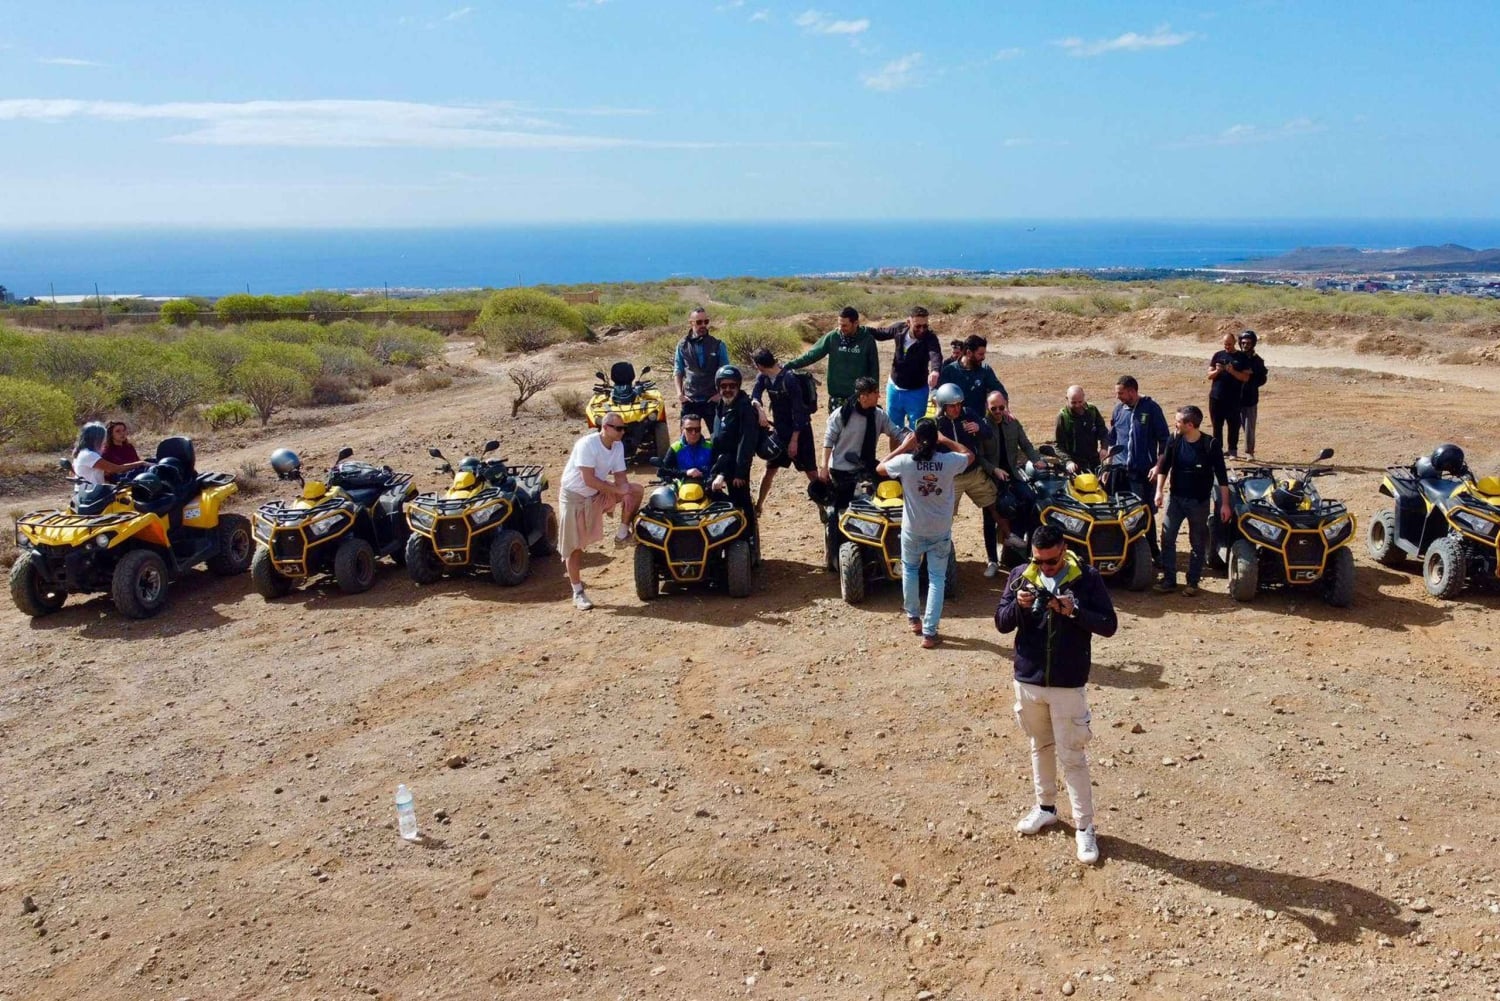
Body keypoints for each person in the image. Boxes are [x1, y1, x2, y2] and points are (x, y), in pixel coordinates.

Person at [995, 524, 1118, 865]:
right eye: (1040, 561)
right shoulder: (1022, 575)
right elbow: (1001, 623)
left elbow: (1108, 624)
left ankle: (1084, 827)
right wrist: (1019, 606)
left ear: (1064, 549)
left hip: (1067, 683)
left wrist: (1073, 611)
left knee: (1073, 755)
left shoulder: (1087, 578)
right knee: (1040, 746)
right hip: (1029, 680)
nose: (1046, 568)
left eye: (1051, 562)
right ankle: (1045, 807)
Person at [878, 419, 972, 649]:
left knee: (909, 570)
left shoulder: (905, 462)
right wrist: (946, 439)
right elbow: (969, 454)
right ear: (935, 440)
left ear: (917, 440)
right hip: (940, 529)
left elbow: (880, 468)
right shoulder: (949, 461)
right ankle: (930, 633)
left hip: (913, 529)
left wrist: (904, 446)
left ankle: (913, 619)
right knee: (936, 579)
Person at [559, 416, 644, 610]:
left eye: (624, 429)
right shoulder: (587, 445)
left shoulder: (618, 446)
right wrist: (617, 490)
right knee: (575, 547)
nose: (622, 432)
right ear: (605, 427)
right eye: (618, 428)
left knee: (636, 491)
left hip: (597, 494)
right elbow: (588, 479)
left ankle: (622, 534)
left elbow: (621, 477)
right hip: (575, 497)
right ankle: (578, 592)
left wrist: (624, 491)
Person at [1152, 405, 1231, 597]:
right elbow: (1164, 466)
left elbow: (1222, 477)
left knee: (1197, 542)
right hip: (1176, 499)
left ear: (1190, 424)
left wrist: (1225, 504)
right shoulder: (1174, 439)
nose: (1175, 424)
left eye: (1178, 421)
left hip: (1199, 502)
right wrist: (1159, 491)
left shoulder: (1210, 445)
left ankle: (1193, 582)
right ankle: (1169, 580)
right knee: (1167, 537)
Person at [933, 383, 1003, 571]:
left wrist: (978, 427)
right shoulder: (936, 423)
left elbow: (988, 434)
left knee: (993, 507)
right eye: (952, 405)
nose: (957, 409)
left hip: (973, 473)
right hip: (951, 478)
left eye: (959, 404)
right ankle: (941, 557)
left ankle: (1001, 547)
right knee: (944, 517)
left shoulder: (969, 413)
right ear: (942, 406)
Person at [1109, 375, 1171, 567]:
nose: (1118, 396)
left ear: (1132, 391)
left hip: (1141, 473)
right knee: (1116, 512)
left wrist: (1158, 466)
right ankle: (1121, 550)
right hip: (1119, 472)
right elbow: (1112, 439)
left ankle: (1153, 551)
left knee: (1143, 513)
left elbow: (1165, 440)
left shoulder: (1151, 409)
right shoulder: (1119, 409)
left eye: (1121, 393)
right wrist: (1108, 464)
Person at [820, 376, 906, 510]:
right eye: (875, 393)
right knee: (841, 508)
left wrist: (912, 441)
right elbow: (828, 441)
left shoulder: (879, 415)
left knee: (893, 487)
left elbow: (897, 433)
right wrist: (824, 467)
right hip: (843, 469)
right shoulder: (841, 415)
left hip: (867, 465)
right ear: (864, 397)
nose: (879, 395)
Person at [750, 347, 816, 513]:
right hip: (780, 432)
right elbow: (755, 395)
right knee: (770, 470)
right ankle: (758, 506)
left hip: (801, 433)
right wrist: (759, 409)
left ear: (760, 365)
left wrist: (794, 440)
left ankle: (825, 506)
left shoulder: (789, 379)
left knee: (811, 472)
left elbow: (799, 412)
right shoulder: (764, 378)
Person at [708, 365, 761, 559]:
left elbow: (746, 442)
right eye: (724, 386)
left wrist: (740, 472)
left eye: (732, 385)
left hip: (737, 465)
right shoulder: (721, 404)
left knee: (741, 502)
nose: (728, 389)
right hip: (721, 463)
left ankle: (748, 545)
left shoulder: (743, 407)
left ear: (738, 386)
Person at [785, 306, 883, 412]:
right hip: (837, 397)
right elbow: (812, 355)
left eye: (845, 325)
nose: (841, 328)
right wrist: (787, 365)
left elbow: (874, 368)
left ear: (855, 323)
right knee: (835, 427)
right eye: (839, 324)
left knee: (858, 428)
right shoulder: (833, 337)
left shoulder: (867, 340)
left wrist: (873, 392)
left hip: (859, 397)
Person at [872, 305, 942, 432]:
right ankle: (898, 453)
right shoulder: (899, 329)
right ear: (908, 323)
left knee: (916, 430)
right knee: (894, 429)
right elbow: (880, 333)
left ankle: (913, 453)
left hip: (917, 391)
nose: (922, 330)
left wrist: (935, 370)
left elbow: (935, 354)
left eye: (925, 326)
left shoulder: (930, 338)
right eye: (918, 326)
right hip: (895, 388)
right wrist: (858, 329)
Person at [989, 390, 1042, 544]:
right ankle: (1001, 544)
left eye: (1001, 407)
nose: (998, 412)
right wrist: (994, 469)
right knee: (1002, 506)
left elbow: (1025, 444)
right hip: (991, 476)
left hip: (1012, 472)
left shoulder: (1013, 423)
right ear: (987, 407)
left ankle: (1024, 537)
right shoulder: (983, 425)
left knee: (1031, 498)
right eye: (994, 409)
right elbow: (979, 456)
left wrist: (1037, 460)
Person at [674, 307, 729, 421]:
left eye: (706, 321)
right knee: (688, 436)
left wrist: (720, 394)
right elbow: (678, 370)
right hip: (690, 400)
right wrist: (680, 394)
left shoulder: (718, 345)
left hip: (712, 399)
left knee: (719, 437)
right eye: (699, 322)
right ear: (691, 323)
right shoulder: (682, 346)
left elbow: (726, 372)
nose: (703, 325)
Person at [939, 334, 1007, 417]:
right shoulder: (949, 371)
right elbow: (939, 397)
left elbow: (1000, 391)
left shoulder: (985, 370)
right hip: (956, 423)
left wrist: (1005, 409)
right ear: (969, 353)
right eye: (980, 354)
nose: (983, 357)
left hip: (979, 423)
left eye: (984, 354)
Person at [1207, 331, 1251, 459]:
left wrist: (1232, 371)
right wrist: (1217, 371)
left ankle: (1232, 450)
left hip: (1233, 399)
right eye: (1225, 344)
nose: (1227, 347)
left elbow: (1245, 377)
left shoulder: (1241, 357)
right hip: (1216, 397)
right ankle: (1218, 449)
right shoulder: (1218, 355)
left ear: (1235, 343)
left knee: (1233, 425)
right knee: (1217, 425)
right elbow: (1209, 375)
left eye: (1230, 344)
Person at [71, 421, 146, 486]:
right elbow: (117, 469)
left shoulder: (83, 452)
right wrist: (141, 463)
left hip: (91, 490)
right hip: (92, 493)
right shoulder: (89, 455)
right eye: (102, 437)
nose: (104, 439)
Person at [1054, 386, 1109, 474]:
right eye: (1073, 402)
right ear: (1066, 399)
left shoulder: (1092, 410)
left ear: (1084, 397)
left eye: (1080, 401)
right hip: (1074, 466)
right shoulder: (1063, 417)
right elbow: (1058, 445)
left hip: (1093, 462)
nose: (1077, 405)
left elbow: (1103, 431)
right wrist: (1068, 461)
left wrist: (1104, 447)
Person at [1236, 331, 1268, 460]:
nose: (1245, 345)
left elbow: (1262, 378)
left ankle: (1249, 452)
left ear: (1253, 344)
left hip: (1250, 398)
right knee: (1233, 425)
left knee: (1249, 427)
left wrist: (1251, 376)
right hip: (1233, 398)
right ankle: (1231, 450)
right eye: (1243, 343)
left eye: (1248, 343)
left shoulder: (1257, 361)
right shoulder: (1236, 357)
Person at [660, 414, 713, 479]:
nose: (693, 433)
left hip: (706, 486)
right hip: (681, 487)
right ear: (683, 429)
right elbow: (663, 471)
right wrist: (685, 473)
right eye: (689, 429)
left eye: (697, 429)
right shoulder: (675, 448)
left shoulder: (710, 447)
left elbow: (718, 470)